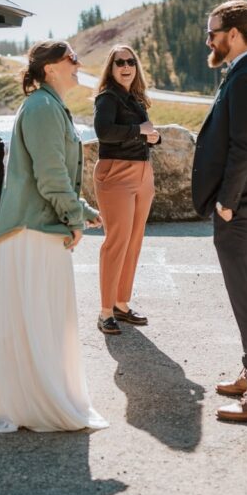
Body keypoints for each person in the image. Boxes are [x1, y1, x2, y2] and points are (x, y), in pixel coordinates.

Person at [0, 40, 108, 433]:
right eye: (72, 59)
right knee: (38, 319)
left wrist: (84, 211)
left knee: (40, 320)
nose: (79, 64)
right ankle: (35, 404)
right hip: (32, 232)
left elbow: (52, 174)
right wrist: (74, 219)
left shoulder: (47, 106)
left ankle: (34, 398)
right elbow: (50, 176)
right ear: (50, 68)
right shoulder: (42, 108)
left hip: (35, 228)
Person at [191, 0, 247, 422]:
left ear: (233, 34)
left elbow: (244, 148)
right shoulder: (245, 71)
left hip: (240, 206)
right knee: (243, 295)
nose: (207, 40)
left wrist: (226, 202)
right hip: (242, 203)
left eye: (212, 33)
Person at [92, 45, 160, 335]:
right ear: (111, 68)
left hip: (143, 172)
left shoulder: (136, 99)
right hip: (116, 173)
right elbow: (104, 132)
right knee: (117, 241)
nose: (125, 66)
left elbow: (143, 132)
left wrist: (153, 137)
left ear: (136, 66)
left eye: (130, 61)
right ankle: (105, 311)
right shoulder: (107, 97)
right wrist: (140, 131)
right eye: (119, 62)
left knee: (134, 241)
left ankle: (121, 303)